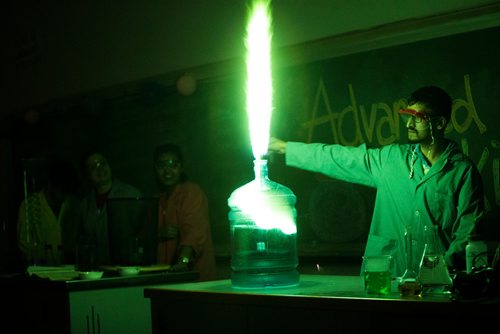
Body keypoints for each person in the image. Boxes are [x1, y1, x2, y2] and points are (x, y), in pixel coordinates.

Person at [268, 85, 485, 277]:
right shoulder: (391, 160)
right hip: (385, 275)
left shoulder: (462, 171)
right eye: (406, 116)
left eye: (418, 118)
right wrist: (285, 148)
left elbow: (468, 230)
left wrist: (443, 268)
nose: (408, 124)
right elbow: (337, 157)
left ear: (439, 123)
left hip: (435, 281)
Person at [153, 143, 216, 281]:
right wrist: (158, 234)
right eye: (162, 165)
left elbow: (194, 232)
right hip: (165, 281)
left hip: (194, 281)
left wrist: (183, 262)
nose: (167, 171)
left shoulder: (191, 192)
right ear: (156, 169)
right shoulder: (157, 200)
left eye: (173, 165)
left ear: (181, 167)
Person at [77, 150, 142, 266]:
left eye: (103, 163)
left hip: (124, 268)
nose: (100, 169)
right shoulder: (85, 204)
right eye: (93, 167)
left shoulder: (130, 195)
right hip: (96, 270)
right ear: (87, 174)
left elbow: (141, 234)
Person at [17, 159, 80, 266]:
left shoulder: (72, 204)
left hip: (69, 270)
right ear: (50, 185)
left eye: (68, 191)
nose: (65, 195)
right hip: (41, 272)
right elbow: (24, 244)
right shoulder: (30, 206)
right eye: (62, 190)